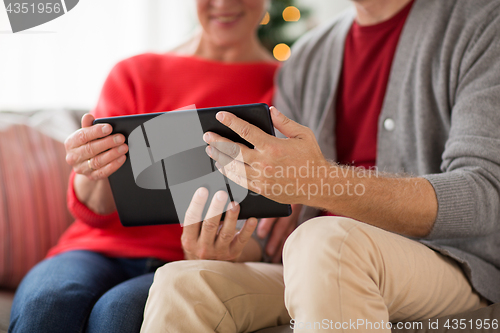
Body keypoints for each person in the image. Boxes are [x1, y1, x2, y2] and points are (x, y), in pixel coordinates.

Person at [141, 0, 500, 332]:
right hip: (318, 259)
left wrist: (318, 182)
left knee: (327, 242)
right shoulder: (308, 56)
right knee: (183, 282)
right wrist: (229, 247)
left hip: (452, 263)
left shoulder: (483, 20)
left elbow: (484, 196)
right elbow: (283, 224)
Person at [8, 1, 289, 332]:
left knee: (119, 314)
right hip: (94, 250)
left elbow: (272, 226)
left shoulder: (287, 86)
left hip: (184, 263)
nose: (224, 3)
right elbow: (96, 206)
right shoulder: (136, 73)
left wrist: (231, 251)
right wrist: (90, 168)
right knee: (47, 304)